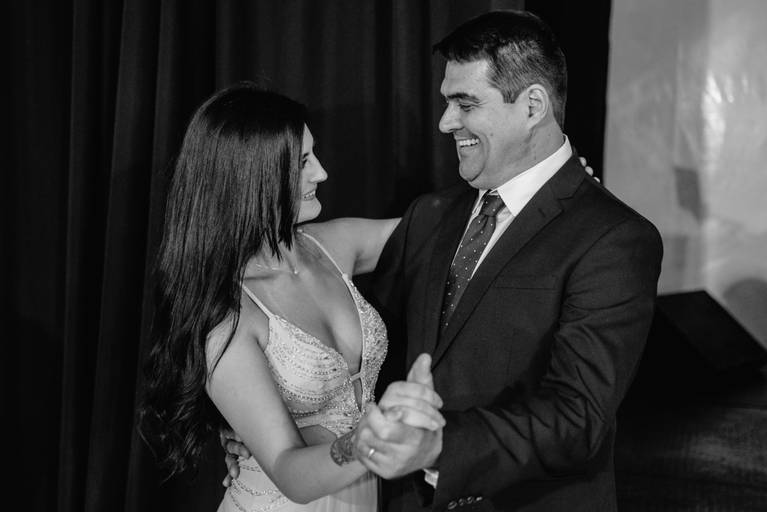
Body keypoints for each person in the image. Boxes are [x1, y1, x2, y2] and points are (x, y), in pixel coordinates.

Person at [221, 10, 663, 512]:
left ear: (533, 106)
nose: (445, 122)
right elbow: (308, 321)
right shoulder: (432, 215)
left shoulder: (613, 237)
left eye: (465, 103)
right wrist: (245, 420)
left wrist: (438, 448)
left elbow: (578, 418)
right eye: (447, 102)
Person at [138, 82, 447, 512]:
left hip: (363, 498)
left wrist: (531, 177)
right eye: (302, 162)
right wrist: (371, 442)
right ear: (251, 176)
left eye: (313, 155)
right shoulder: (227, 316)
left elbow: (444, 229)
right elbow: (290, 472)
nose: (320, 173)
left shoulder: (332, 245)